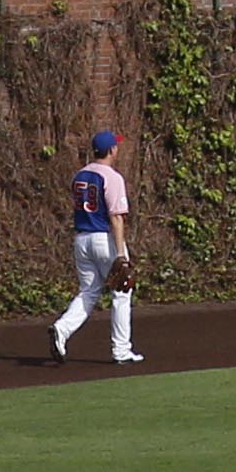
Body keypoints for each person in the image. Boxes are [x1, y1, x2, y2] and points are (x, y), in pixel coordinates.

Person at [46, 128, 140, 366]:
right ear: (111, 150)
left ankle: (62, 329)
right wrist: (121, 254)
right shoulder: (112, 177)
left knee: (88, 291)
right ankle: (121, 350)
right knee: (121, 292)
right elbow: (117, 217)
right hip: (103, 239)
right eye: (115, 146)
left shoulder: (80, 174)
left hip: (81, 240)